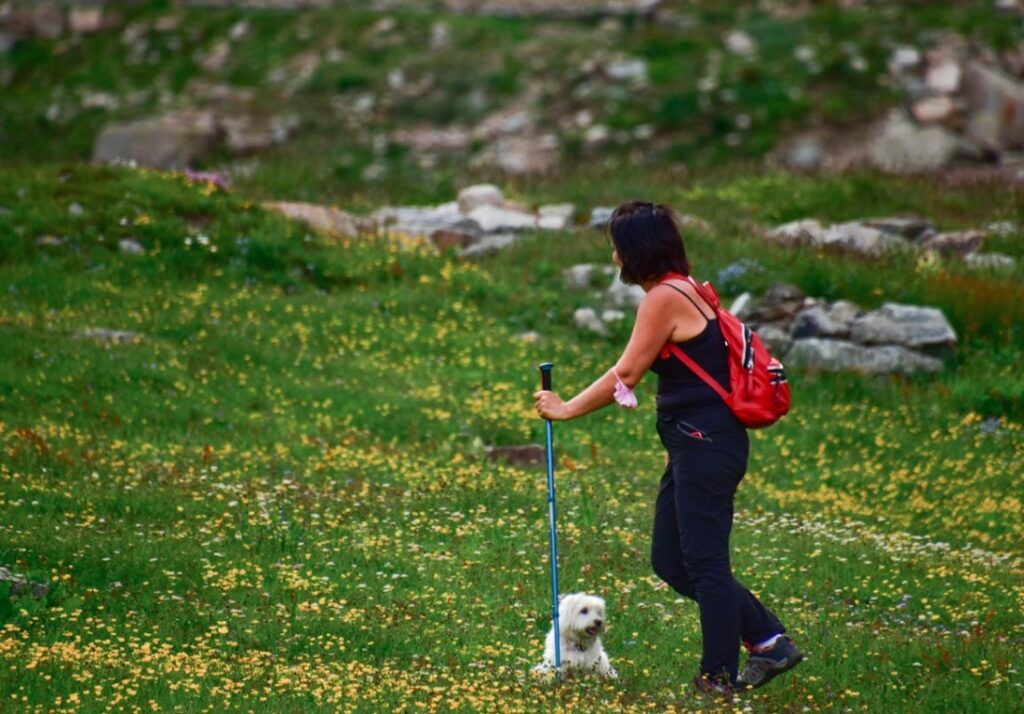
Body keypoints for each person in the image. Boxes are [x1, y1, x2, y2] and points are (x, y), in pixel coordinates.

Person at [533, 201, 803, 697]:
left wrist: (566, 407)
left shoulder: (663, 299)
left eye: (616, 244)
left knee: (705, 565)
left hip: (706, 444)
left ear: (635, 250)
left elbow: (628, 373)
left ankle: (718, 677)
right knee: (670, 561)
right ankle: (768, 640)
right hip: (693, 444)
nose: (613, 254)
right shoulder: (686, 290)